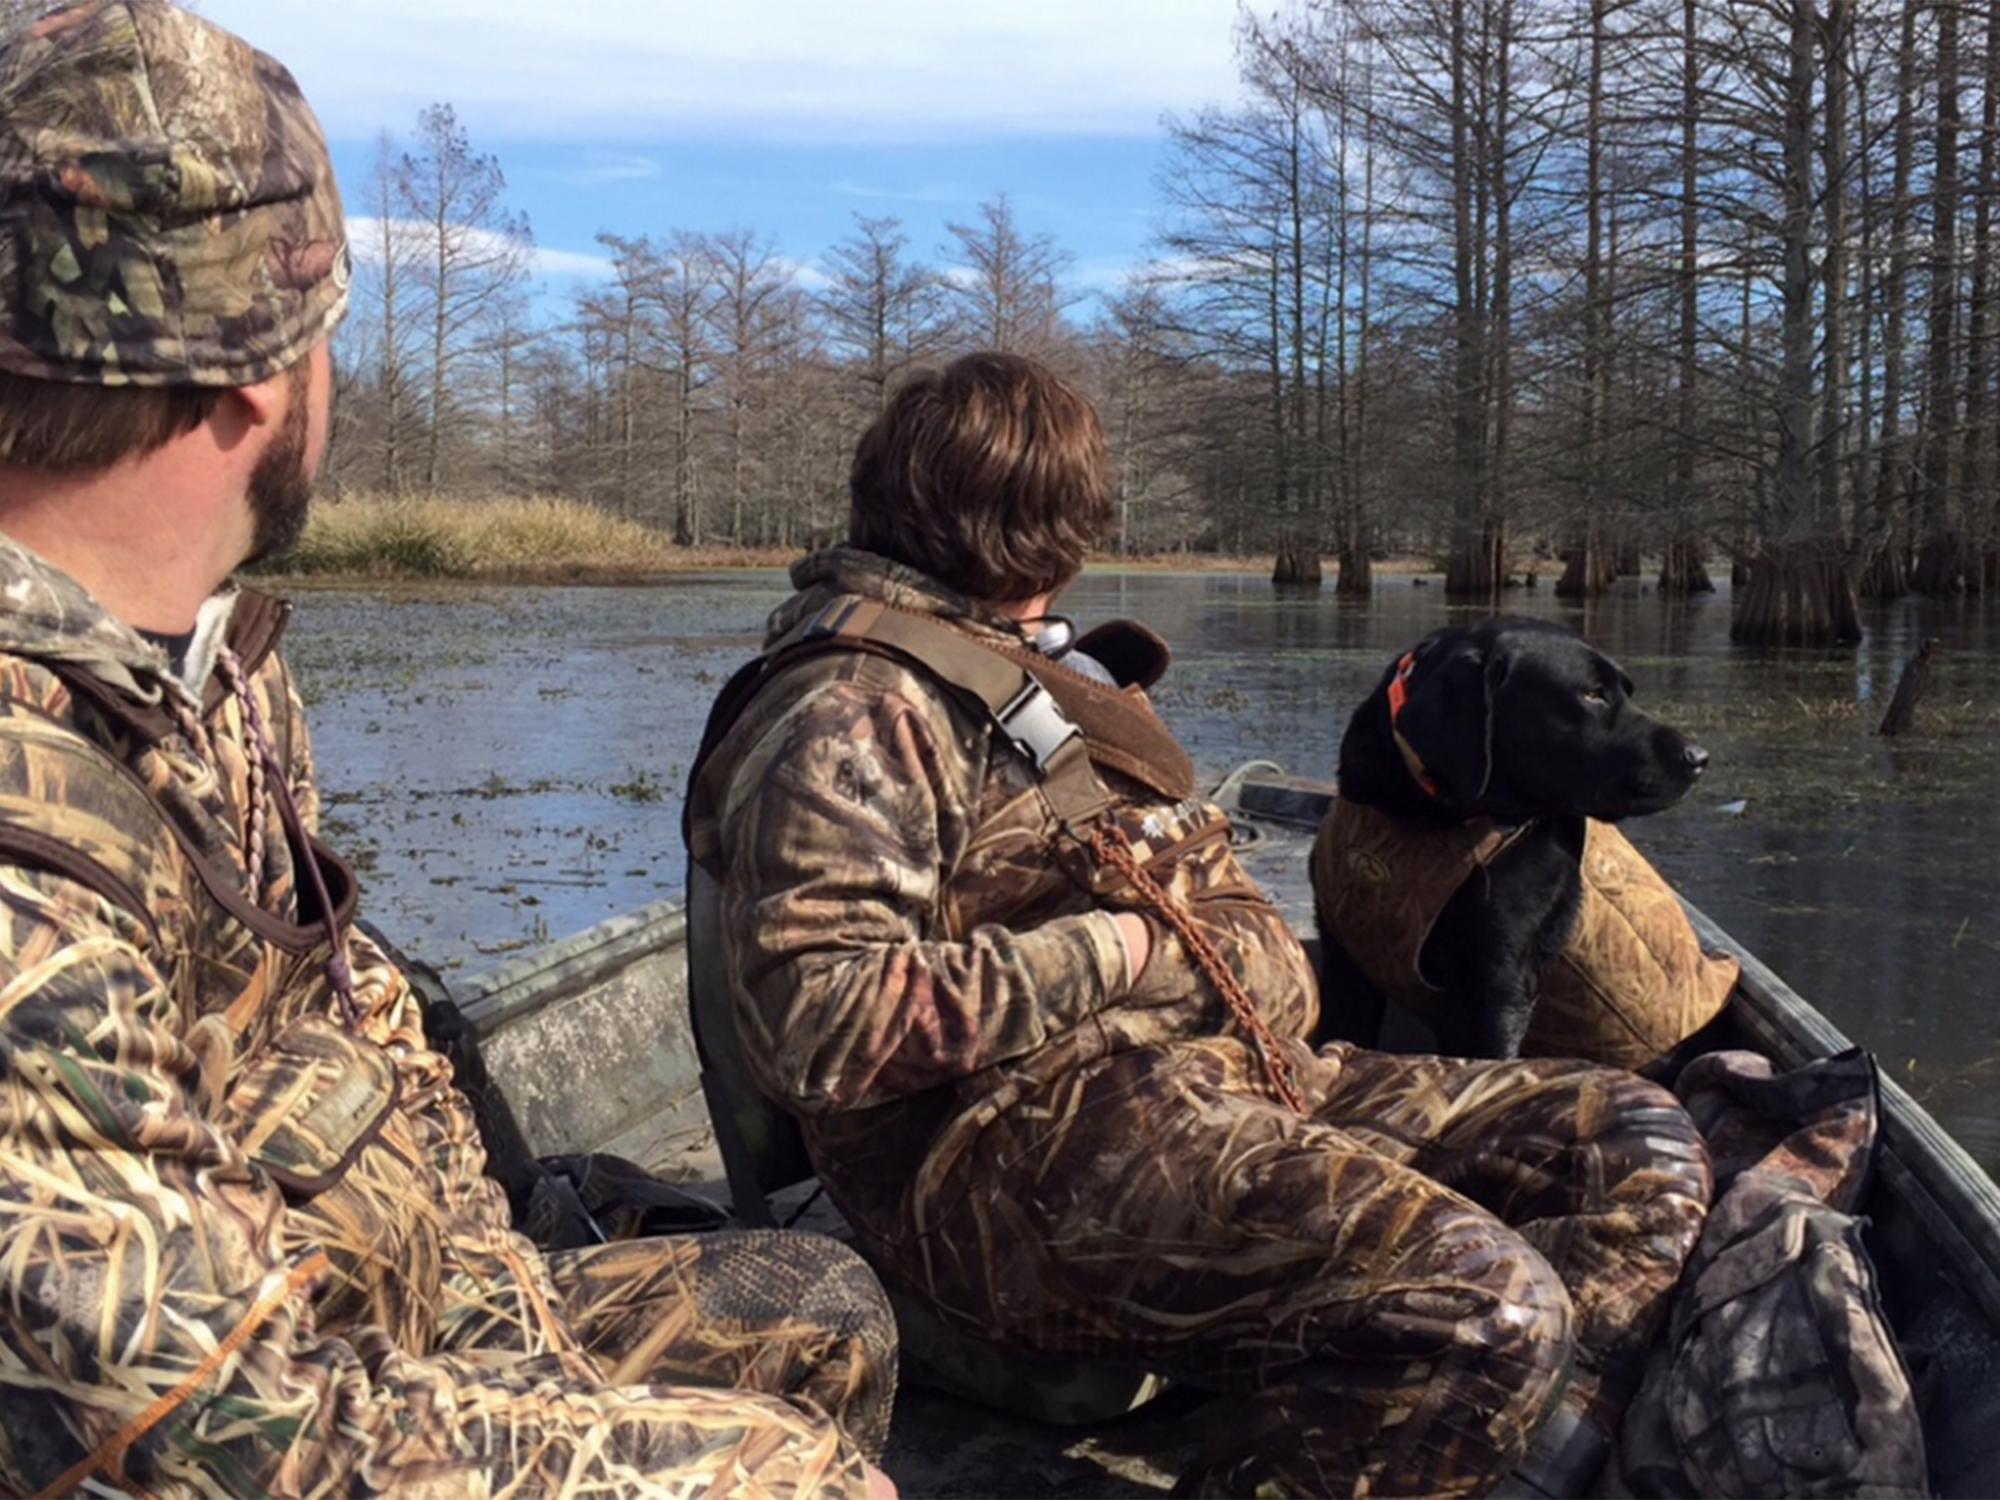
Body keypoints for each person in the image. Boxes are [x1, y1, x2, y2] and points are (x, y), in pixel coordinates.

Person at [0, 4, 896, 1495]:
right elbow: (205, 1443)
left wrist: (513, 1349)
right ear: (262, 379)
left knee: (810, 1313)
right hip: (252, 1413)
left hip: (370, 1320)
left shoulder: (210, 671)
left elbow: (374, 1047)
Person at [688, 351, 1715, 1498]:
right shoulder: (854, 709)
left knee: (1633, 1139)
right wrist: (1123, 950)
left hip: (1215, 1081)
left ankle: (1474, 1452)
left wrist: (1220, 954)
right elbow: (814, 1028)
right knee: (1486, 1305)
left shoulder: (1024, 675)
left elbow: (1235, 942)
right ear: (1053, 525)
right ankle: (1432, 1406)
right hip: (1001, 1164)